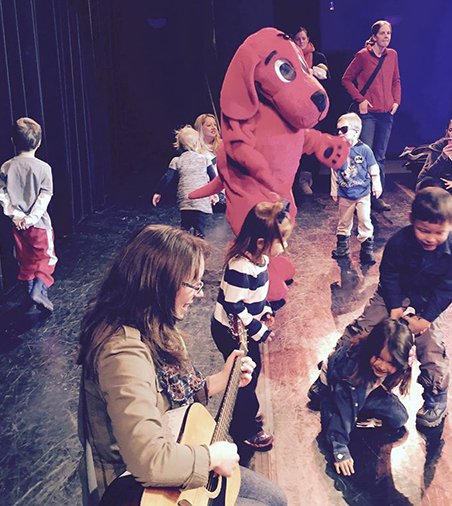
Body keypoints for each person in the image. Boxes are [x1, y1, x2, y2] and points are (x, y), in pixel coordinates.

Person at [77, 225, 287, 506]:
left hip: (174, 455)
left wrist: (222, 380)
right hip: (137, 490)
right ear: (160, 283)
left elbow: (168, 403)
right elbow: (149, 461)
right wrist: (210, 457)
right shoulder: (122, 354)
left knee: (274, 497)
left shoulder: (154, 324)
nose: (199, 294)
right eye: (193, 284)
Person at [312, 188, 452, 428]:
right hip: (392, 296)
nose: (431, 238)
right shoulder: (399, 242)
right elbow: (389, 275)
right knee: (363, 328)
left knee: (432, 346)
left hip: (428, 304)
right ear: (411, 220)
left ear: (450, 225)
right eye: (424, 230)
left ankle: (436, 396)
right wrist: (394, 307)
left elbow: (448, 289)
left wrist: (426, 319)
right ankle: (333, 371)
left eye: (439, 233)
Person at [211, 201, 293, 451]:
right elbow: (232, 305)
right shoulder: (240, 267)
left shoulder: (261, 259)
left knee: (251, 372)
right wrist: (259, 330)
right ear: (260, 242)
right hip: (230, 332)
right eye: (282, 240)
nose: (285, 246)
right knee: (243, 378)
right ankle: (243, 428)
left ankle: (245, 412)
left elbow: (254, 295)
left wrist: (265, 309)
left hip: (244, 330)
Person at [319, 319, 414, 476]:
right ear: (370, 348)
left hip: (365, 387)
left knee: (399, 418)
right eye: (378, 357)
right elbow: (343, 412)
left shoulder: (396, 366)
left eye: (391, 363)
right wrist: (339, 449)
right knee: (336, 415)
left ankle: (359, 405)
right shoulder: (351, 372)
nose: (382, 366)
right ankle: (319, 390)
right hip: (340, 386)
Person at [0, 117, 56, 312]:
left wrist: (15, 215)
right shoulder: (44, 168)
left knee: (25, 258)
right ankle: (38, 291)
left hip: (17, 225)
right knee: (46, 258)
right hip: (39, 224)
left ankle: (31, 292)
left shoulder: (6, 167)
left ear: (13, 141)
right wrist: (31, 218)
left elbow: (2, 194)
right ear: (39, 143)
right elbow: (45, 196)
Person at [342, 19, 401, 212]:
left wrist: (396, 101)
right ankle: (360, 197)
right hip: (368, 115)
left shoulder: (392, 55)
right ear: (374, 36)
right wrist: (360, 100)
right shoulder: (362, 56)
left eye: (389, 33)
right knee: (364, 156)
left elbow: (396, 80)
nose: (386, 36)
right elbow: (346, 79)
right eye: (383, 33)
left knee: (380, 156)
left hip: (386, 114)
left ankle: (377, 197)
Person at [330, 112, 382, 264]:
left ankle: (366, 250)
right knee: (344, 220)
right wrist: (334, 190)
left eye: (344, 129)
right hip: (345, 193)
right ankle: (342, 247)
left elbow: (373, 169)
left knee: (365, 220)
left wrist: (376, 185)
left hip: (362, 193)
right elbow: (334, 171)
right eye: (338, 130)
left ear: (356, 131)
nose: (340, 133)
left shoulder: (364, 150)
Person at [152, 126, 217, 238]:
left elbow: (167, 178)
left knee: (185, 228)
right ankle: (199, 242)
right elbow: (214, 179)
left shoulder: (177, 160)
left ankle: (184, 244)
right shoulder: (204, 159)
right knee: (199, 228)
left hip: (185, 200)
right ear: (197, 143)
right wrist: (213, 193)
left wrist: (158, 192)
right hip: (201, 200)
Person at [293, 26, 330, 196]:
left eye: (303, 38)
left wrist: (309, 71)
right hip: (294, 109)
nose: (301, 42)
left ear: (308, 39)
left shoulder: (318, 56)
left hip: (313, 109)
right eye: (298, 39)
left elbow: (323, 74)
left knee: (311, 145)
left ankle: (305, 180)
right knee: (295, 146)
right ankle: (293, 181)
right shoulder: (290, 57)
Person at [416, 118, 452, 194]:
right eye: (451, 130)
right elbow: (432, 173)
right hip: (437, 179)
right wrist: (443, 157)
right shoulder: (438, 145)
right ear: (447, 132)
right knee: (433, 185)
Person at [194, 113, 225, 211]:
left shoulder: (223, 145)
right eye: (209, 125)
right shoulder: (196, 149)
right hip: (209, 191)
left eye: (215, 124)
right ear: (201, 128)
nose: (213, 127)